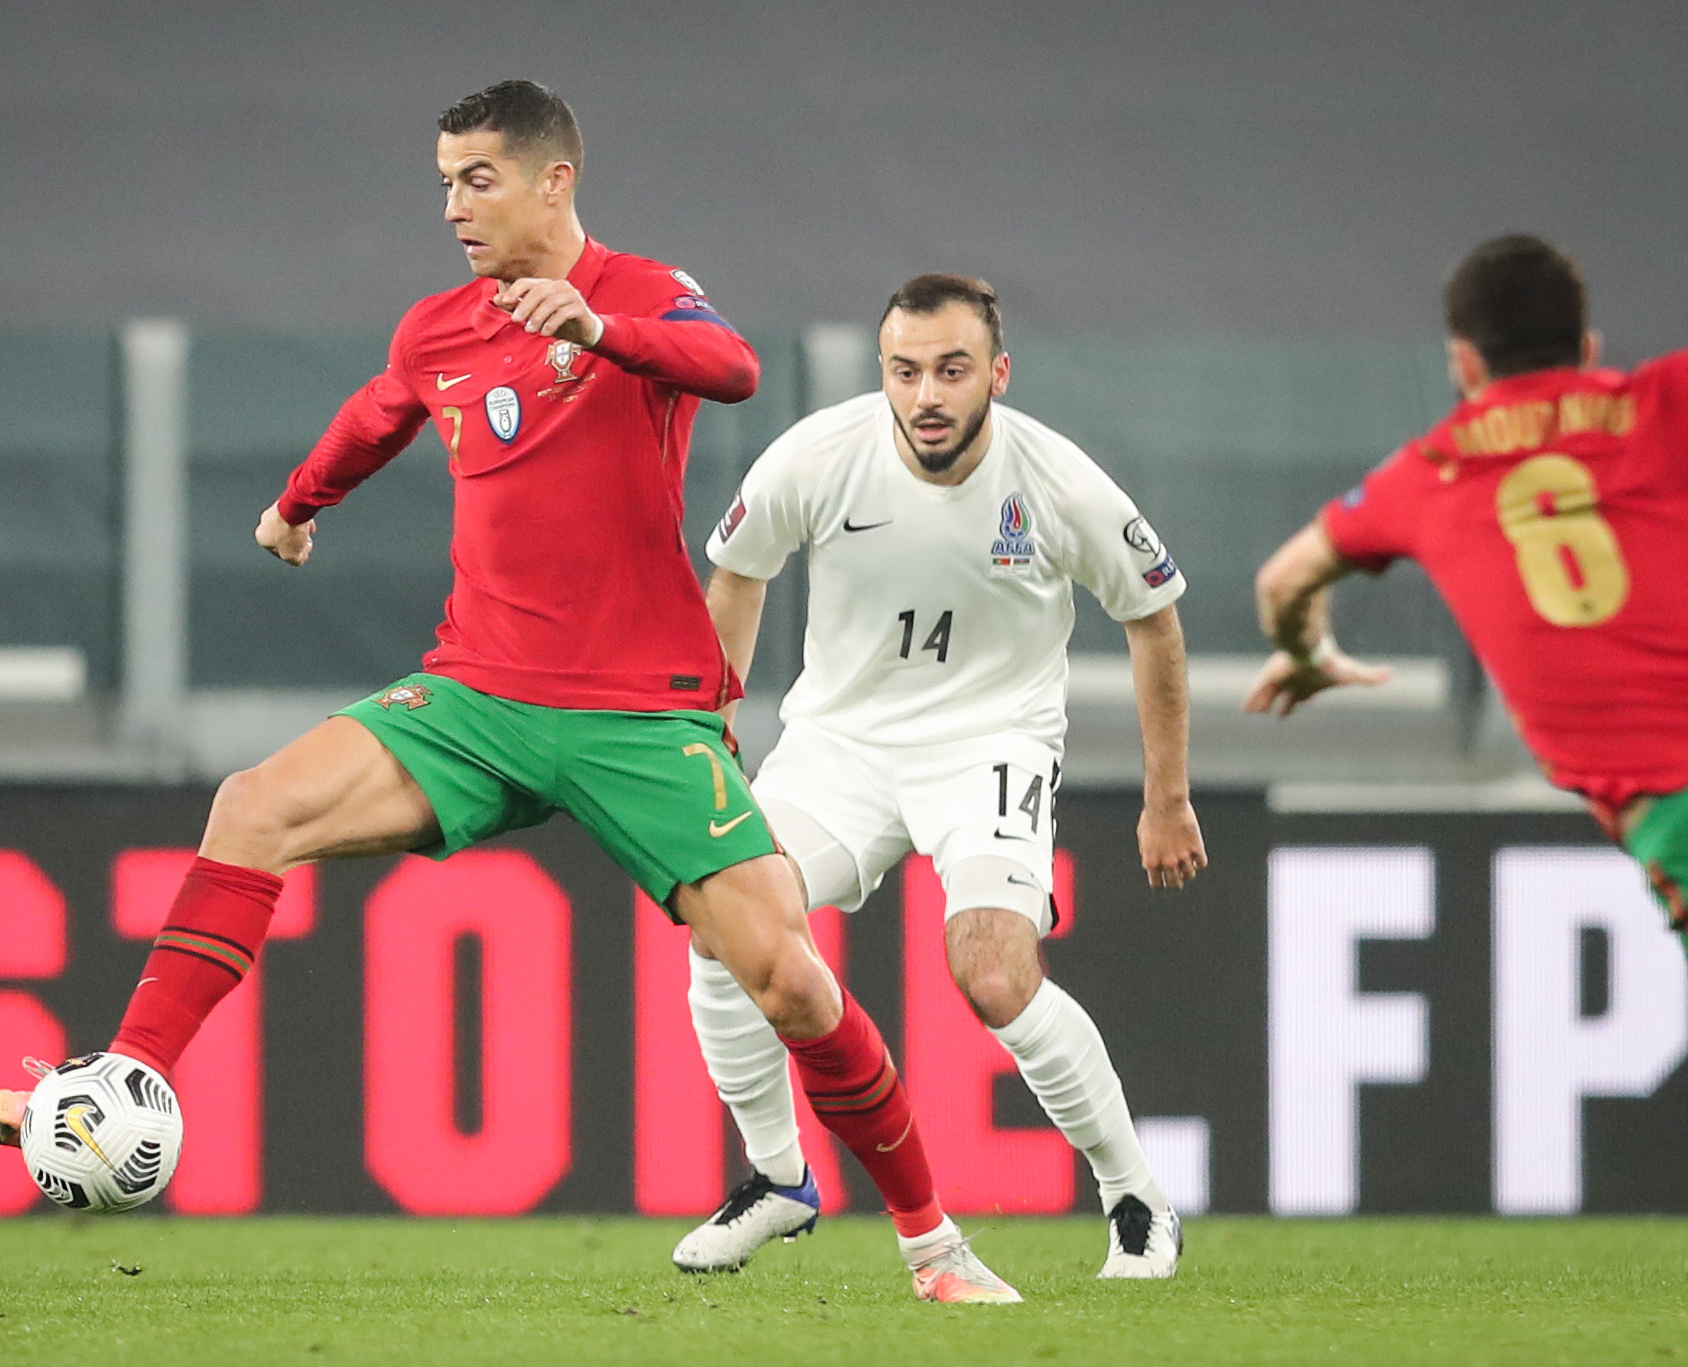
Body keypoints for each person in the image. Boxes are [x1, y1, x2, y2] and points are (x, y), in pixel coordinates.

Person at [0, 80, 1016, 1305]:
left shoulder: (640, 291)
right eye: (446, 181)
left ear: (555, 181)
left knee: (787, 978)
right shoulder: (438, 327)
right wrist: (296, 503)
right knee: (251, 806)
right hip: (478, 699)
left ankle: (934, 1243)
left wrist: (598, 330)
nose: (454, 205)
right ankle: (122, 1080)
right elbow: (378, 415)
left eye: (478, 179)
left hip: (634, 714)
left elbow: (730, 366)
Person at [672, 273, 1201, 1280]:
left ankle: (1134, 1195)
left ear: (997, 374)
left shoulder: (1059, 484)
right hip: (841, 745)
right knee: (719, 916)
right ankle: (778, 1177)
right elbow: (737, 574)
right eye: (905, 371)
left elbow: (1153, 620)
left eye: (951, 370)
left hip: (989, 744)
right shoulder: (819, 456)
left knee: (992, 973)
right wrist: (714, 727)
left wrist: (1165, 796)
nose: (925, 394)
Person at [1246, 233, 1688, 949]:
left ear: (1464, 363)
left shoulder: (1428, 471)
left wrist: (1305, 655)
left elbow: (1282, 580)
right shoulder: (1665, 401)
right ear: (1588, 348)